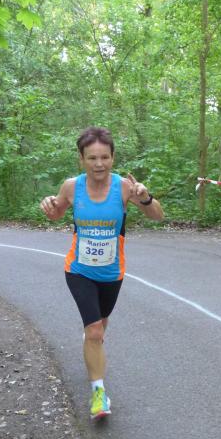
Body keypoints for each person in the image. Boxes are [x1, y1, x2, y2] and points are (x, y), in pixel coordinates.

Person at [40, 127, 164, 420]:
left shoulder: (125, 187)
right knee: (95, 330)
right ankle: (98, 393)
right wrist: (48, 205)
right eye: (92, 158)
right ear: (81, 159)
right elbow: (56, 213)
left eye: (105, 157)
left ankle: (91, 345)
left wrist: (146, 197)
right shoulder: (72, 187)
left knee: (100, 327)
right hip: (79, 269)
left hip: (111, 273)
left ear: (113, 157)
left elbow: (157, 216)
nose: (99, 164)